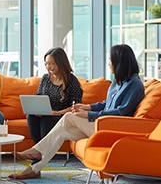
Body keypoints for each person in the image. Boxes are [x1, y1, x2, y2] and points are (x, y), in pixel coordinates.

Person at [9, 44, 145, 179]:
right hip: (101, 124)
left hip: (111, 128)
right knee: (63, 132)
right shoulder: (118, 81)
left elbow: (121, 112)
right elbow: (105, 104)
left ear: (120, 62)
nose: (109, 63)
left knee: (68, 117)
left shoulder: (134, 85)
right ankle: (35, 168)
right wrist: (87, 107)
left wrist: (88, 114)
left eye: (111, 60)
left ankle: (36, 151)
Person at [28, 47, 83, 144]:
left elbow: (76, 106)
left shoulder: (72, 81)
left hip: (62, 115)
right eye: (46, 64)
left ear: (61, 62)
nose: (48, 67)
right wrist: (37, 109)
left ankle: (43, 152)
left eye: (51, 63)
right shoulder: (45, 78)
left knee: (47, 119)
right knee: (31, 116)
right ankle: (39, 149)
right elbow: (38, 96)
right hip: (47, 113)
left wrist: (57, 113)